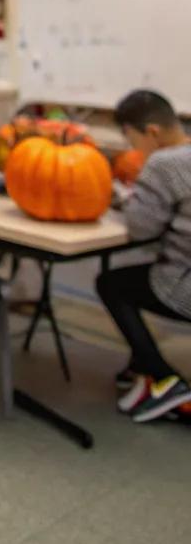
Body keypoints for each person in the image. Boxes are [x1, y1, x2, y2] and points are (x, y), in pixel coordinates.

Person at [97, 89, 191, 423]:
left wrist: (118, 199)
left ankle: (164, 377)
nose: (132, 149)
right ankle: (139, 364)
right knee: (133, 275)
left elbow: (141, 230)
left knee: (111, 284)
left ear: (152, 132)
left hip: (185, 286)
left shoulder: (164, 163)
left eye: (132, 139)